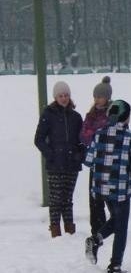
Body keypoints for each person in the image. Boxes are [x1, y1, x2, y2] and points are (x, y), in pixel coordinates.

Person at [83, 100, 131, 273]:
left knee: (116, 219)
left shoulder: (98, 134)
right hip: (121, 188)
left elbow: (88, 160)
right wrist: (129, 178)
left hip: (101, 187)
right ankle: (115, 264)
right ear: (127, 117)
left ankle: (96, 240)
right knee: (121, 226)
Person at [34, 80, 84, 237]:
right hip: (55, 164)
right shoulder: (48, 115)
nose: (64, 98)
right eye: (61, 95)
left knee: (67, 198)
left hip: (72, 163)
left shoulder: (76, 117)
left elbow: (82, 139)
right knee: (56, 199)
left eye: (66, 95)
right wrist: (51, 154)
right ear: (55, 97)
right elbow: (39, 139)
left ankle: (70, 229)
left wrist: (79, 154)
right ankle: (55, 229)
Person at [80, 76, 112, 236]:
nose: (97, 99)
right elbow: (84, 136)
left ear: (107, 97)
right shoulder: (91, 114)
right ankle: (97, 228)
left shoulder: (113, 113)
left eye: (100, 96)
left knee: (110, 197)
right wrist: (96, 133)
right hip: (95, 162)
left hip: (110, 162)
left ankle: (111, 225)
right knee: (94, 198)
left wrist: (95, 133)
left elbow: (109, 133)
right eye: (95, 97)